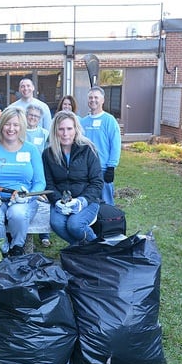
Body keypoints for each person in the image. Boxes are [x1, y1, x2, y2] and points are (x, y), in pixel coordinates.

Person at [0, 107, 46, 258]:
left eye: (16, 125)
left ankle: (17, 246)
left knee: (17, 213)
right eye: (7, 124)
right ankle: (5, 248)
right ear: (1, 126)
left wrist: (28, 196)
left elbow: (40, 183)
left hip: (22, 201)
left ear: (22, 127)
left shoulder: (31, 150)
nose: (11, 128)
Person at [42, 110, 103, 246]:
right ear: (55, 131)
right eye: (61, 129)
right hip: (62, 201)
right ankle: (81, 249)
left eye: (69, 128)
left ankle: (97, 247)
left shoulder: (88, 149)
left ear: (76, 129)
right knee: (57, 223)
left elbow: (97, 182)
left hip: (87, 200)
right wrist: (57, 200)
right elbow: (48, 183)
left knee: (74, 225)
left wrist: (82, 201)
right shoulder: (48, 154)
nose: (65, 133)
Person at [80, 86, 122, 205]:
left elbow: (115, 145)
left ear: (103, 100)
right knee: (88, 201)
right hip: (86, 170)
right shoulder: (83, 122)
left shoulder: (109, 120)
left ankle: (108, 222)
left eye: (96, 97)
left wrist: (111, 167)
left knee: (106, 203)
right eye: (90, 97)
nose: (93, 100)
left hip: (103, 169)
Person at [25, 104, 52, 247]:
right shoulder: (20, 132)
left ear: (40, 118)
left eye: (36, 116)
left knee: (43, 202)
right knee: (27, 201)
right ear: (26, 115)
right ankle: (26, 234)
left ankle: (44, 235)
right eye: (31, 115)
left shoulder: (44, 133)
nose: (33, 118)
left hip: (39, 171)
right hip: (23, 172)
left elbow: (49, 153)